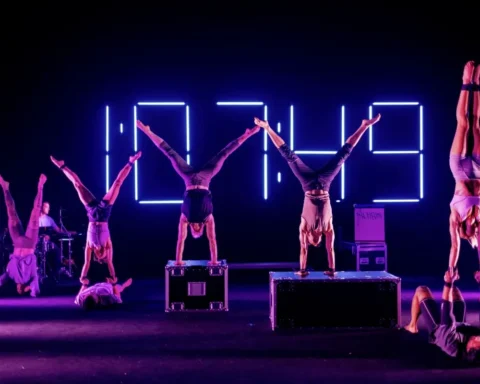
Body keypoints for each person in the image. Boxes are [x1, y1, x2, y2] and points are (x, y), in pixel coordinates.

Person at [255, 114, 381, 276]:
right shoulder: (328, 229)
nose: (315, 243)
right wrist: (332, 269)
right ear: (320, 238)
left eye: (311, 243)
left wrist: (302, 269)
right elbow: (330, 249)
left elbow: (303, 250)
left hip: (307, 183)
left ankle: (267, 128)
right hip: (325, 182)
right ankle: (364, 125)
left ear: (308, 239)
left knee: (289, 155)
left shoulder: (304, 228)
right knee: (344, 154)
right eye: (317, 243)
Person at [136, 120, 260, 265]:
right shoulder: (208, 218)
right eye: (197, 231)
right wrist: (214, 261)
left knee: (170, 154)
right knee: (224, 154)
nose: (195, 228)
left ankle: (147, 131)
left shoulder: (185, 219)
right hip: (205, 178)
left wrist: (178, 261)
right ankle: (248, 134)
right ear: (201, 229)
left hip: (188, 179)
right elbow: (212, 240)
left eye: (193, 231)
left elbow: (180, 239)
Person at [50, 152, 141, 285]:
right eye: (102, 258)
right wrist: (114, 278)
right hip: (104, 214)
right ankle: (131, 162)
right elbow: (110, 265)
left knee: (77, 184)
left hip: (92, 214)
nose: (100, 258)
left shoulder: (90, 247)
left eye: (98, 258)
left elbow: (86, 264)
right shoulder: (107, 247)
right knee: (117, 184)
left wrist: (82, 277)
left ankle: (62, 166)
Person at [448, 60, 480, 283]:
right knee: (476, 125)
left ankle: (465, 82)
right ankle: (476, 84)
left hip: (459, 169)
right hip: (478, 171)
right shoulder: (479, 221)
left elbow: (454, 247)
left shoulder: (455, 220)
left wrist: (451, 268)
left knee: (463, 125)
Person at [403, 271, 480, 363]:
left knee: (421, 290)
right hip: (460, 327)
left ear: (472, 347)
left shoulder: (451, 343)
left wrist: (448, 282)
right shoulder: (475, 341)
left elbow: (447, 309)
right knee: (454, 291)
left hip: (440, 329)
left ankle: (412, 326)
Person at [0, 174, 46, 297]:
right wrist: (28, 289)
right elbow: (36, 292)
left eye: (18, 291)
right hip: (30, 242)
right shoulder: (31, 277)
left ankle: (5, 188)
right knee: (36, 211)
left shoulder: (10, 275)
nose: (19, 290)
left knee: (10, 212)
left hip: (17, 241)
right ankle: (40, 187)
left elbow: (0, 281)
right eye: (22, 291)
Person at [39, 201, 73, 280]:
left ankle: (57, 270)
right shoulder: (35, 219)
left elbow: (58, 230)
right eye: (46, 207)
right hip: (37, 242)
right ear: (41, 207)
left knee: (57, 250)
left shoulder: (49, 219)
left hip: (47, 243)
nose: (49, 209)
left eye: (49, 207)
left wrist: (70, 232)